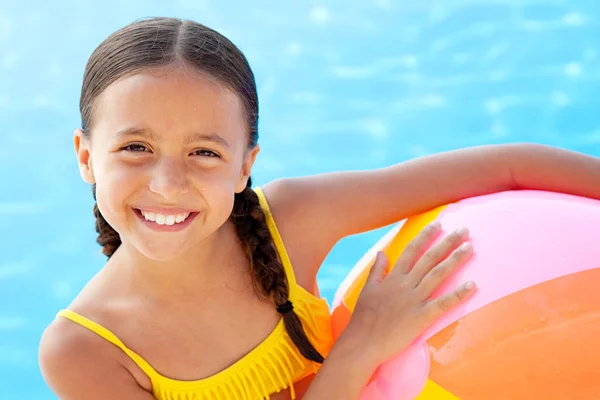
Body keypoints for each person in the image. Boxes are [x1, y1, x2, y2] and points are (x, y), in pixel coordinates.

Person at [37, 17, 600, 400]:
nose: (168, 183)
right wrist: (360, 348)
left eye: (204, 152)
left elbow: (507, 166)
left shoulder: (292, 220)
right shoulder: (84, 350)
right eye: (136, 147)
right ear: (86, 156)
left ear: (244, 165)